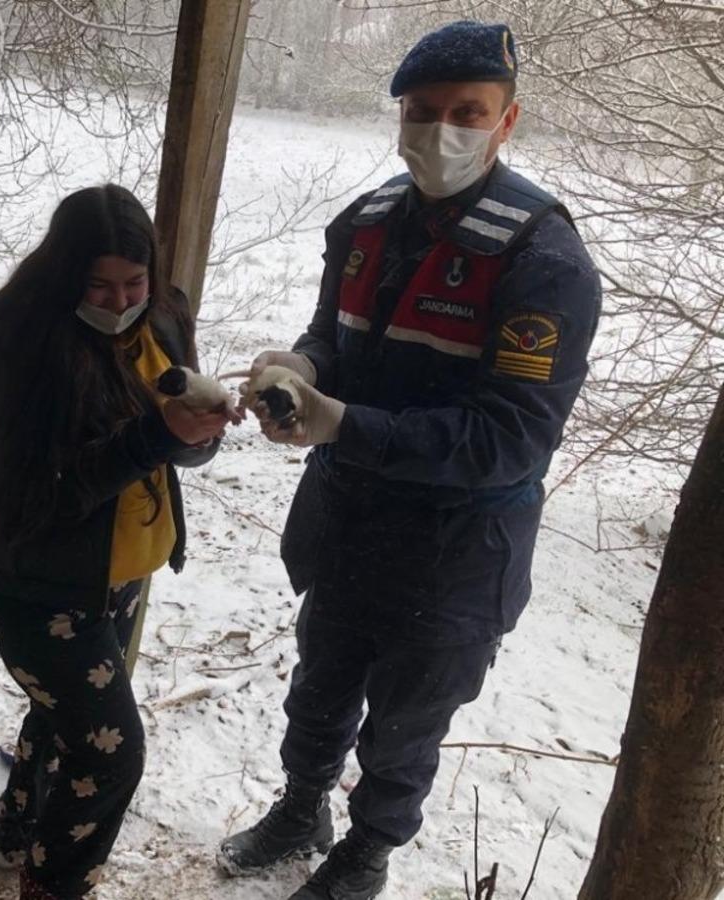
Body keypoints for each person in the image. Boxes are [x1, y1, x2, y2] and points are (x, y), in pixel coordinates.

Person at [218, 22, 601, 900]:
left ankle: (367, 852)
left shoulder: (545, 261)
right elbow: (332, 334)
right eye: (423, 112)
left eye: (468, 112)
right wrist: (303, 368)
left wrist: (345, 422)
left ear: (508, 123)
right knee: (317, 695)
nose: (441, 131)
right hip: (347, 525)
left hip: (453, 553)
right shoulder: (366, 223)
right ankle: (302, 806)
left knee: (404, 727)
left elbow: (511, 438)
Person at [0, 184, 231, 899]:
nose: (120, 302)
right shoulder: (28, 340)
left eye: (133, 283)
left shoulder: (165, 315)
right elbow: (47, 493)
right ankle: (52, 885)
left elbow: (172, 444)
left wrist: (198, 431)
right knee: (112, 756)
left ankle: (17, 831)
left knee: (62, 722)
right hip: (39, 586)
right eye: (100, 285)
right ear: (66, 278)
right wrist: (158, 434)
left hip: (118, 576)